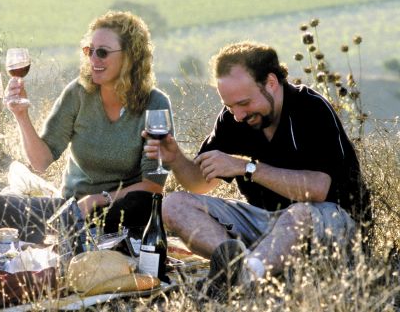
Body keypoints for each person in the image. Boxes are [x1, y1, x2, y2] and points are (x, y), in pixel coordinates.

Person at [143, 41, 369, 299]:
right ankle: (242, 267)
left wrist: (245, 167)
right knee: (173, 205)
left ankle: (241, 282)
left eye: (244, 103)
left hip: (330, 222)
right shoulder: (234, 118)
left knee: (299, 214)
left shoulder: (310, 108)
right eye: (230, 107)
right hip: (266, 224)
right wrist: (175, 159)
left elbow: (318, 190)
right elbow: (199, 183)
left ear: (271, 82)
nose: (238, 115)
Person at [0, 11, 173, 244]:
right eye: (89, 51)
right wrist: (21, 115)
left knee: (143, 204)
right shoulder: (78, 93)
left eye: (103, 52)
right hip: (71, 207)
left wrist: (98, 199)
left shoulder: (155, 104)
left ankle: (74, 236)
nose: (93, 59)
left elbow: (154, 185)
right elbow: (40, 162)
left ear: (130, 57)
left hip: (122, 207)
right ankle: (74, 233)